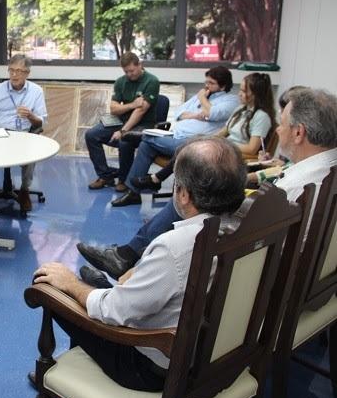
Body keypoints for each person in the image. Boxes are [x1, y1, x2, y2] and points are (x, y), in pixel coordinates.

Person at [33, 136, 247, 391]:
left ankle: (60, 377)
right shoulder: (248, 229)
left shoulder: (176, 247)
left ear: (184, 195)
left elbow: (114, 312)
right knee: (95, 285)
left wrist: (70, 285)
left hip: (152, 368)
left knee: (49, 285)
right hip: (217, 356)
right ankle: (102, 287)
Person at [78, 87, 337, 287]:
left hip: (259, 273)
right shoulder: (325, 171)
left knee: (192, 202)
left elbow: (243, 229)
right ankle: (130, 259)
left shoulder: (295, 187)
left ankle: (128, 275)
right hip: (303, 270)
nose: (278, 130)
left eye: (282, 124)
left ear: (299, 133)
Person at [120, 72, 275, 207]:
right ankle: (138, 189)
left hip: (231, 155)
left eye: (243, 90)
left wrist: (221, 143)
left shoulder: (261, 116)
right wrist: (208, 139)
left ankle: (151, 162)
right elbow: (224, 131)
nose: (239, 94)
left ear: (255, 93)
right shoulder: (241, 110)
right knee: (160, 145)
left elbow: (252, 148)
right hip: (221, 146)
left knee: (176, 146)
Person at [111, 66, 238, 206]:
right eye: (206, 82)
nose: (206, 86)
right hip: (175, 135)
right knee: (146, 146)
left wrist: (202, 99)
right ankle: (133, 193)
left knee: (146, 141)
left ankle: (143, 136)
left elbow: (211, 113)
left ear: (224, 85)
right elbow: (179, 112)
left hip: (194, 144)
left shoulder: (230, 101)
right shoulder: (202, 96)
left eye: (211, 83)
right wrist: (196, 115)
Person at [0, 54, 48, 212]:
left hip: (22, 133)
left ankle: (24, 190)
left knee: (31, 152)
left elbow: (41, 122)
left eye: (19, 71)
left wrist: (30, 116)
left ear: (27, 73)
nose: (14, 74)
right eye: (11, 70)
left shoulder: (36, 91)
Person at [85, 52, 159, 192]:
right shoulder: (121, 82)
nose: (129, 74)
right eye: (126, 72)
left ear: (140, 65)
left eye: (132, 70)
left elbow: (140, 111)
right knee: (91, 135)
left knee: (125, 141)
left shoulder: (152, 81)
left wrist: (123, 131)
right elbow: (113, 109)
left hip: (143, 124)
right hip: (122, 119)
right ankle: (106, 176)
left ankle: (123, 179)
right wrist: (131, 105)